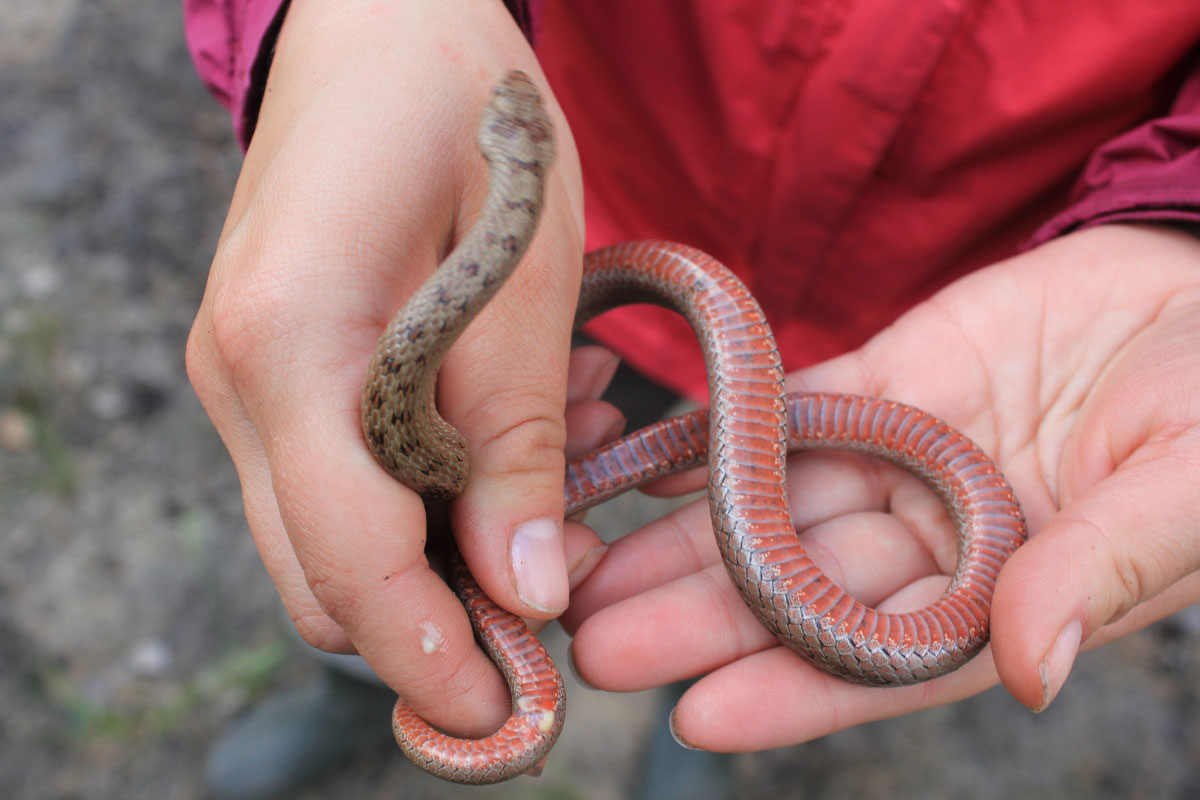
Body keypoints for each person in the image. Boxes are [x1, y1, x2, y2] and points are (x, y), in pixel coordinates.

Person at [184, 0, 1200, 792]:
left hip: (949, 301)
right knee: (433, 527)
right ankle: (383, 679)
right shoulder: (516, 228)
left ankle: (689, 712)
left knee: (700, 573)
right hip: (586, 233)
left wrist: (1181, 222)